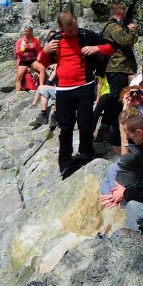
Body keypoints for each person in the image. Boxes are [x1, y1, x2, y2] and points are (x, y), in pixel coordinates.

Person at [43, 11, 115, 178]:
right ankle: (65, 163)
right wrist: (45, 51)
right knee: (66, 127)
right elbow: (43, 62)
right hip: (63, 90)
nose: (74, 31)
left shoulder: (85, 35)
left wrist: (96, 48)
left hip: (84, 86)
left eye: (75, 27)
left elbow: (111, 48)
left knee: (85, 123)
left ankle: (85, 153)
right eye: (69, 30)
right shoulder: (55, 41)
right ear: (61, 28)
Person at [99, 4, 139, 151]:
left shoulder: (116, 26)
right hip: (117, 67)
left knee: (119, 97)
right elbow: (126, 40)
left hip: (121, 67)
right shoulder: (112, 27)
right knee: (116, 97)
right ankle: (106, 127)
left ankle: (113, 126)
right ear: (122, 11)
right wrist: (133, 30)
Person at [14, 25, 44, 93]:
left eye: (28, 31)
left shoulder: (36, 40)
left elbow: (39, 51)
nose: (26, 33)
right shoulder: (20, 41)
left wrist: (39, 57)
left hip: (33, 59)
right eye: (25, 31)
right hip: (23, 60)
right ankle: (17, 93)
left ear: (31, 32)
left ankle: (41, 87)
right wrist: (21, 50)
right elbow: (17, 53)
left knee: (42, 69)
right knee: (19, 78)